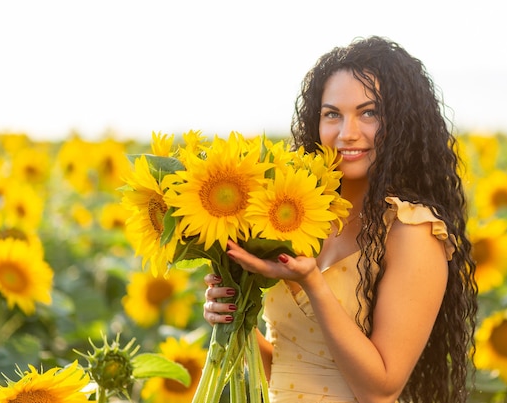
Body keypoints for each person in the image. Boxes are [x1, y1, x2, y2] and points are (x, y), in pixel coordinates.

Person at [203, 35, 477, 403]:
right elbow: (292, 368)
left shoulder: (413, 232)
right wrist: (235, 319)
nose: (347, 133)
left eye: (369, 113)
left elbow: (381, 389)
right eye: (332, 114)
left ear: (403, 122)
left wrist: (313, 283)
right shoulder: (303, 218)